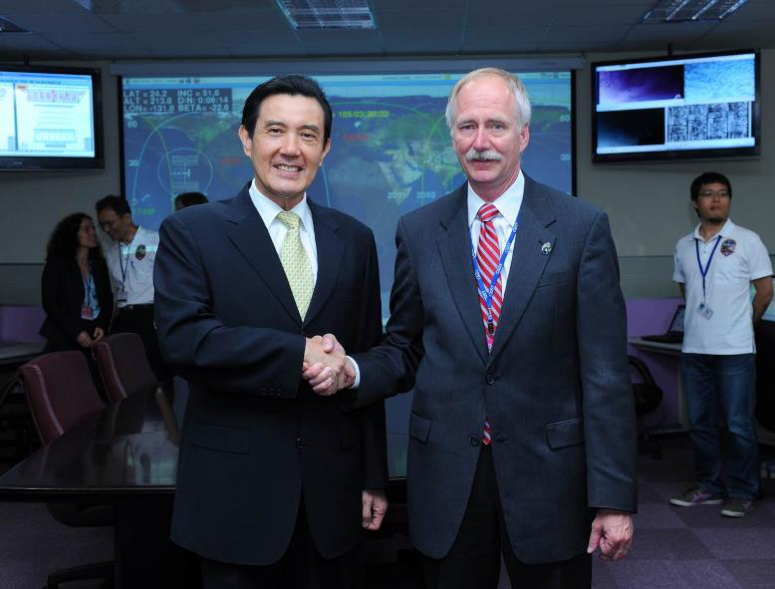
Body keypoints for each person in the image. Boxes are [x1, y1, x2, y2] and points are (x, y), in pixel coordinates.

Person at [305, 67, 637, 589]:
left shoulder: (580, 227)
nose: (480, 143)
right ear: (452, 136)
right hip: (448, 476)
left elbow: (606, 375)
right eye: (466, 127)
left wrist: (614, 496)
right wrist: (350, 368)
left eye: (496, 126)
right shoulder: (419, 231)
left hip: (548, 477)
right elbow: (406, 347)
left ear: (523, 135)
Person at [153, 74, 388, 589]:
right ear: (246, 138)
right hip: (233, 494)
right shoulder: (192, 232)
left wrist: (374, 475)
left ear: (325, 148)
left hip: (334, 491)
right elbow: (185, 340)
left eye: (308, 135)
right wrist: (297, 353)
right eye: (275, 131)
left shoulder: (355, 239)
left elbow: (366, 358)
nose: (290, 149)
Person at [670, 172, 773, 518]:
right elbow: (687, 289)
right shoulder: (684, 245)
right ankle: (709, 485)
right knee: (700, 423)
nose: (716, 200)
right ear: (695, 202)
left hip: (736, 352)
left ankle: (744, 490)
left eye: (723, 194)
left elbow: (764, 292)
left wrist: (744, 324)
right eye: (708, 194)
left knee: (738, 424)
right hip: (695, 350)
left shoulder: (748, 240)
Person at [95, 195, 164, 379]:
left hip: (151, 316)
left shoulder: (155, 241)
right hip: (125, 317)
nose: (107, 229)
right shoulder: (111, 253)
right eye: (102, 225)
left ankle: (162, 406)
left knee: (156, 370)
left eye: (110, 223)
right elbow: (118, 290)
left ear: (126, 217)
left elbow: (168, 281)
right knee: (124, 372)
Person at [39, 213, 113, 364]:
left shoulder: (98, 263)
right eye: (86, 229)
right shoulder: (57, 264)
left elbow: (107, 298)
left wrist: (102, 325)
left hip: (93, 331)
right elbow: (50, 304)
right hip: (65, 334)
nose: (93, 233)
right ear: (73, 235)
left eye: (93, 228)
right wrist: (76, 333)